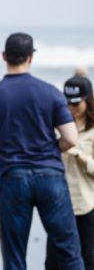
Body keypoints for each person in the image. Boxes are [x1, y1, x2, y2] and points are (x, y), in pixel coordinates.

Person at [0, 32, 84, 270]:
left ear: (4, 56)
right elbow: (71, 139)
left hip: (13, 177)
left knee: (14, 258)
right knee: (69, 253)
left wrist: (3, 152)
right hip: (50, 175)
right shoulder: (50, 92)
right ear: (31, 58)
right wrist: (48, 149)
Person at [46, 76, 94, 270]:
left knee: (88, 258)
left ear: (87, 101)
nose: (72, 107)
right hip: (59, 203)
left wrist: (79, 155)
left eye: (76, 103)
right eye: (68, 103)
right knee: (53, 262)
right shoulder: (61, 127)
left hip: (86, 205)